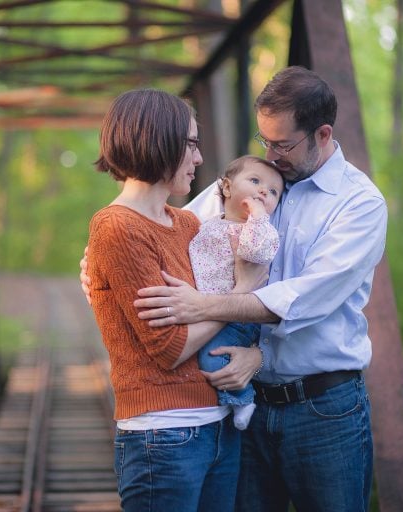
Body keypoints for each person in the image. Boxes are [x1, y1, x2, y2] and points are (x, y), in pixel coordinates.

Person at [112, 66, 387, 512]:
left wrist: (208, 308)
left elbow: (306, 298)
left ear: (322, 134)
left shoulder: (359, 204)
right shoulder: (252, 178)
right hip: (246, 407)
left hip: (324, 409)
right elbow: (169, 227)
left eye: (282, 144)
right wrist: (103, 262)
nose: (271, 154)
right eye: (264, 141)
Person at [85, 88, 267, 512]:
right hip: (162, 436)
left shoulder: (184, 222)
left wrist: (250, 347)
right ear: (156, 140)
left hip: (219, 426)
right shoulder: (116, 228)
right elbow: (171, 347)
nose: (199, 159)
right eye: (190, 144)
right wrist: (240, 294)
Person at [189, 155, 283, 431]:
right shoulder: (208, 223)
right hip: (207, 309)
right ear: (227, 188)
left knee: (211, 356)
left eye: (273, 191)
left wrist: (257, 217)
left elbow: (257, 252)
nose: (264, 191)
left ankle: (242, 400)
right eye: (255, 181)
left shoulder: (260, 231)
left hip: (238, 317)